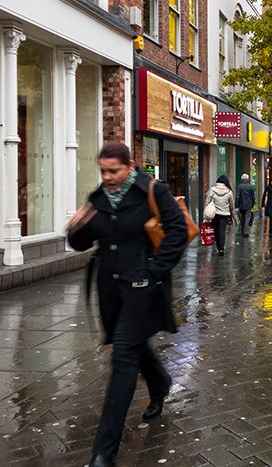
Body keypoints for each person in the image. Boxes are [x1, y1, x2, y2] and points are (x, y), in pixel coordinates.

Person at [67, 142, 188, 467]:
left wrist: (153, 269)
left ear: (130, 166)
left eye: (113, 170)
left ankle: (104, 451)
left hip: (142, 289)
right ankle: (160, 382)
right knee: (132, 346)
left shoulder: (152, 191)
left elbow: (177, 231)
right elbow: (81, 243)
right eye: (103, 170)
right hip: (110, 290)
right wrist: (76, 226)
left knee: (122, 359)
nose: (107, 176)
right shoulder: (98, 198)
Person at [205, 175, 236, 255]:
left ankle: (218, 246)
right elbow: (232, 205)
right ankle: (221, 248)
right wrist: (234, 215)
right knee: (222, 231)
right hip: (225, 214)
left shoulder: (212, 190)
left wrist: (206, 211)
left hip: (215, 214)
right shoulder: (229, 191)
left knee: (216, 230)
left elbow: (207, 201)